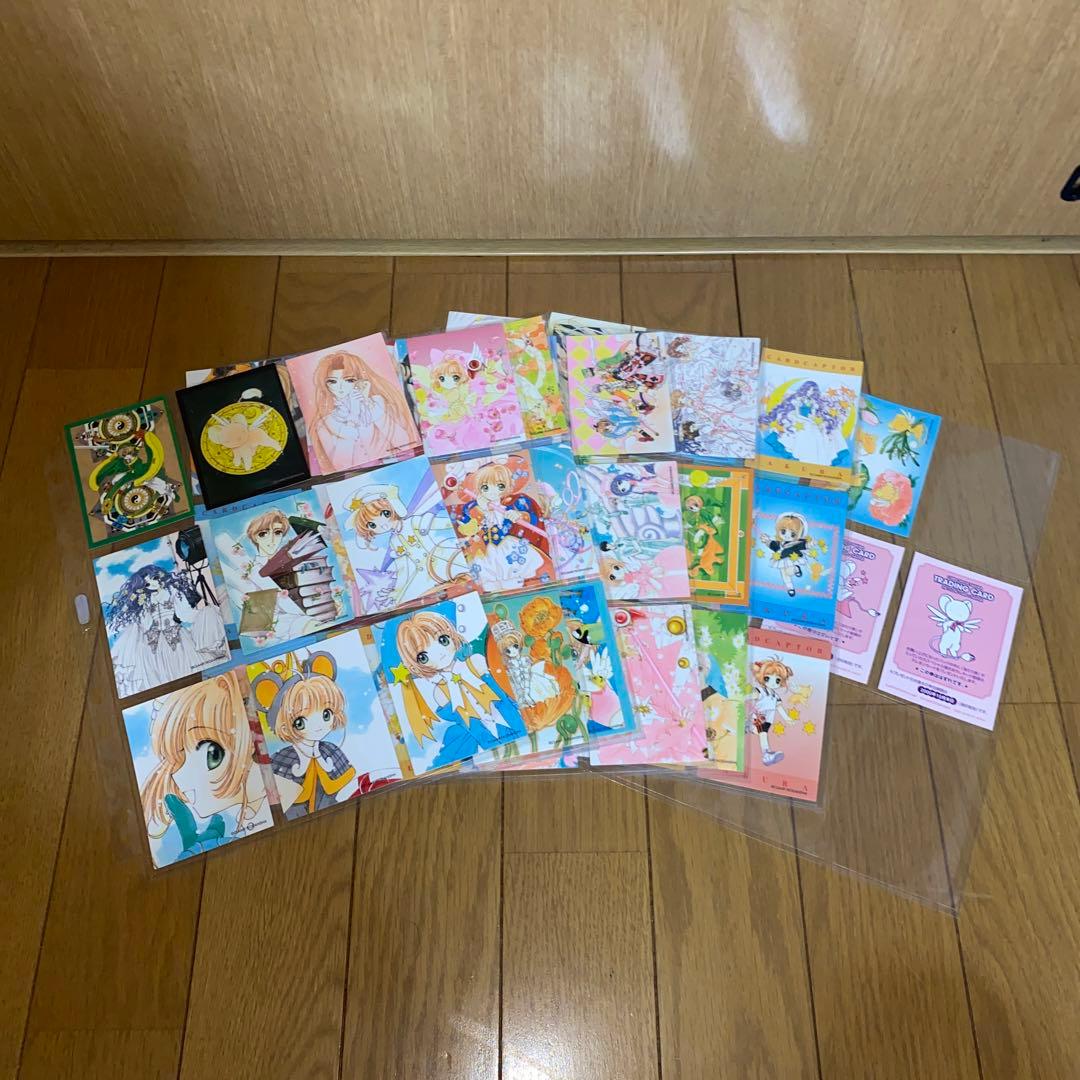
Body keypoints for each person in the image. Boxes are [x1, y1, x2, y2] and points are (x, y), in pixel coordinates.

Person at [307, 349, 417, 473]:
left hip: (399, 468)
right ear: (325, 384)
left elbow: (406, 443)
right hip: (355, 477)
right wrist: (353, 415)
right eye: (332, 381)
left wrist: (373, 410)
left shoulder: (378, 404)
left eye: (349, 380)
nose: (340, 387)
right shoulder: (326, 422)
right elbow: (340, 464)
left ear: (361, 379)